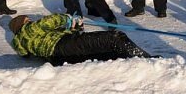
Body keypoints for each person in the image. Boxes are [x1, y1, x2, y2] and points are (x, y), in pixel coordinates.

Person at [9, 14, 152, 65]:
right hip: (62, 45)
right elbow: (51, 20)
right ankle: (150, 60)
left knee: (109, 53)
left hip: (57, 58)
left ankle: (137, 62)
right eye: (28, 19)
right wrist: (68, 18)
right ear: (23, 23)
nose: (31, 20)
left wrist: (76, 27)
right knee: (114, 38)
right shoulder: (30, 28)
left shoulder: (20, 42)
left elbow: (24, 54)